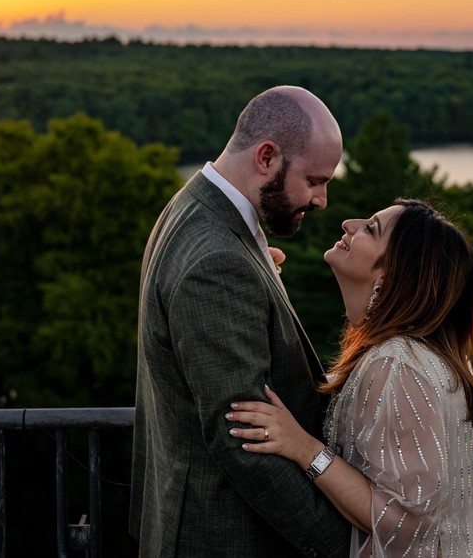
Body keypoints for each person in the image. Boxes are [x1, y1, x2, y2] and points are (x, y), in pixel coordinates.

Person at [130, 86, 352, 557]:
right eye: (314, 181)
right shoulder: (216, 262)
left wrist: (259, 283)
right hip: (224, 535)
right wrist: (346, 545)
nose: (321, 200)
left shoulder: (194, 206)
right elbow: (245, 443)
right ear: (267, 156)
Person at [226, 199, 473, 557]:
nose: (347, 223)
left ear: (389, 274)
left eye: (371, 228)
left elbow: (407, 522)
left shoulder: (397, 365)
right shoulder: (411, 355)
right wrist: (266, 286)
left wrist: (304, 448)